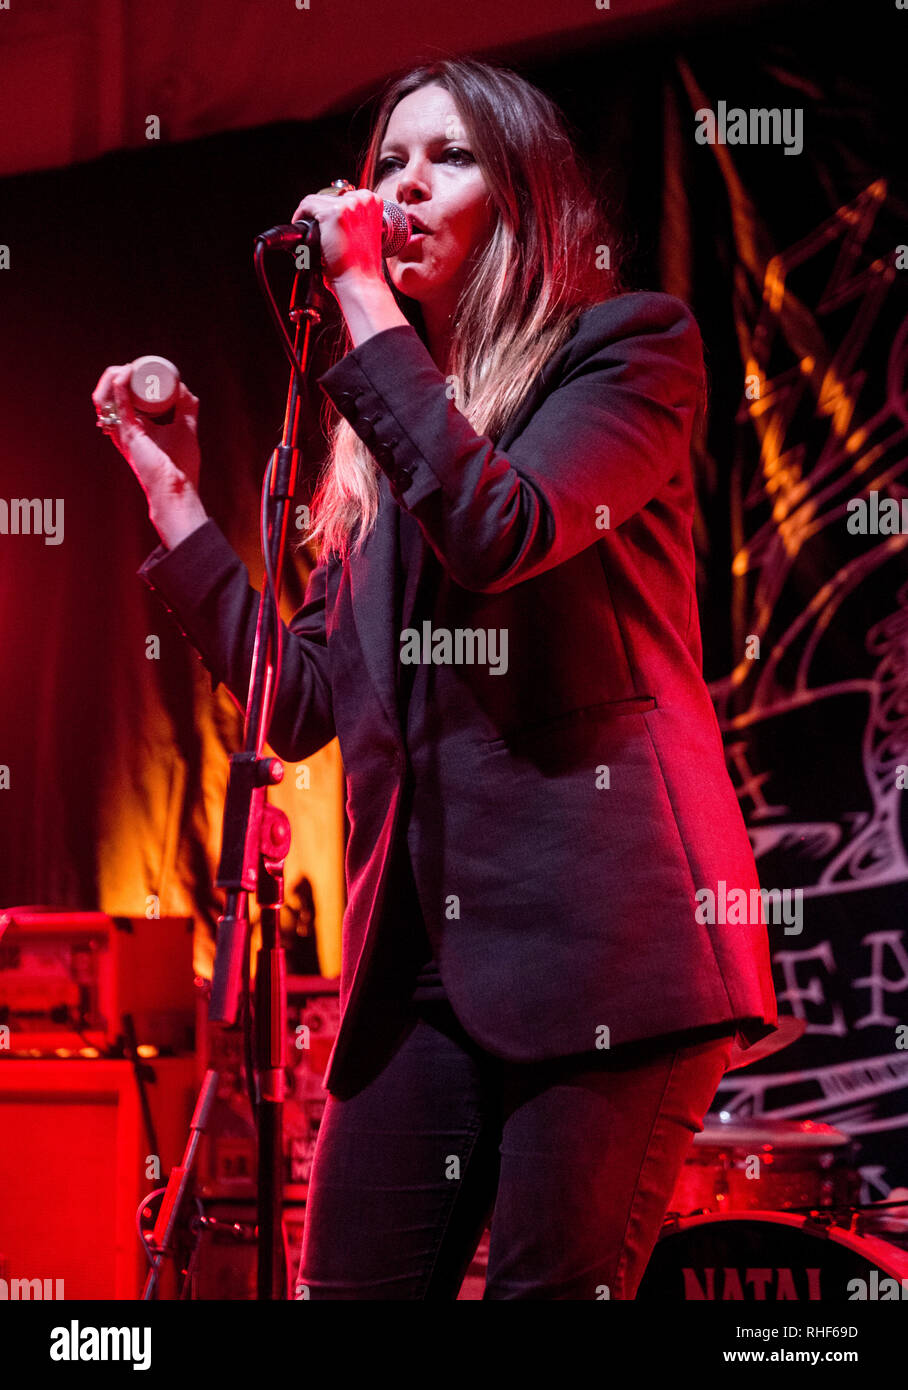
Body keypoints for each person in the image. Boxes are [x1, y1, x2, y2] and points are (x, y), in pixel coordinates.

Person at [92, 56, 778, 1300]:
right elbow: (296, 700)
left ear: (522, 199)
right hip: (416, 970)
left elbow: (501, 529)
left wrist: (360, 303)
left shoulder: (627, 352)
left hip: (609, 945)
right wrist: (178, 500)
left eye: (445, 158)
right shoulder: (377, 438)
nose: (401, 186)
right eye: (386, 163)